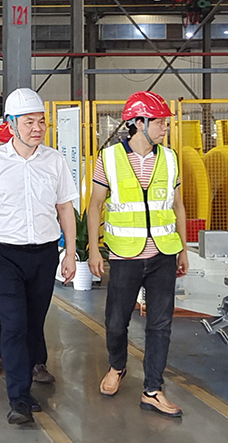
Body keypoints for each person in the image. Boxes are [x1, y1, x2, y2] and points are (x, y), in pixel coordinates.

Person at [0, 88, 77, 425]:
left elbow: (65, 208)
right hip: (5, 256)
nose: (37, 128)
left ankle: (26, 389)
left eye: (41, 121)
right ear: (11, 124)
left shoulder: (54, 161)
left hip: (44, 255)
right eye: (29, 122)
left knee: (33, 324)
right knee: (14, 325)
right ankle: (18, 398)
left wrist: (70, 253)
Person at [87, 91, 188, 418]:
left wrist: (183, 249)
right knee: (116, 322)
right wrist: (93, 250)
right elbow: (94, 206)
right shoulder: (109, 158)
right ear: (139, 123)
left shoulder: (170, 158)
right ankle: (117, 366)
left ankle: (153, 390)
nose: (165, 128)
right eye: (160, 122)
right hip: (125, 255)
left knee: (160, 324)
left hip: (163, 253)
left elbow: (178, 206)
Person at [0, 122, 56, 384]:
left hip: (34, 251)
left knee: (31, 313)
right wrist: (2, 220)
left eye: (0, 141)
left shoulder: (44, 165)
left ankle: (37, 361)